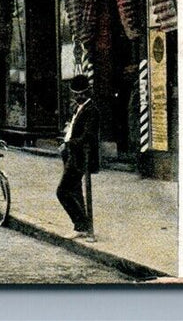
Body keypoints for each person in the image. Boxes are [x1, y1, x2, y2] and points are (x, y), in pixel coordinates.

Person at [56, 74, 101, 241]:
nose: (78, 97)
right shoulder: (78, 108)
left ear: (86, 93)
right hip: (72, 154)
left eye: (81, 94)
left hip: (82, 156)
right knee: (75, 191)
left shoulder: (91, 110)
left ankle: (81, 224)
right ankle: (82, 227)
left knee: (62, 191)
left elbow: (88, 137)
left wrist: (69, 144)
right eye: (76, 94)